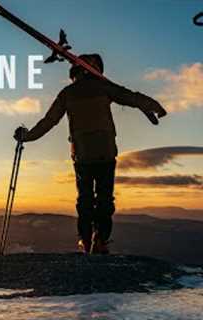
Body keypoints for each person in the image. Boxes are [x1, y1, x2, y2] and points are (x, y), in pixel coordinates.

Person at [14, 54, 167, 254]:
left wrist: (26, 136)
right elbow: (131, 97)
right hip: (105, 152)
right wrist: (155, 106)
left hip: (82, 154)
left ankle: (85, 241)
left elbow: (49, 121)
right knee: (105, 198)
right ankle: (100, 240)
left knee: (84, 199)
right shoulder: (104, 87)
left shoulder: (67, 94)